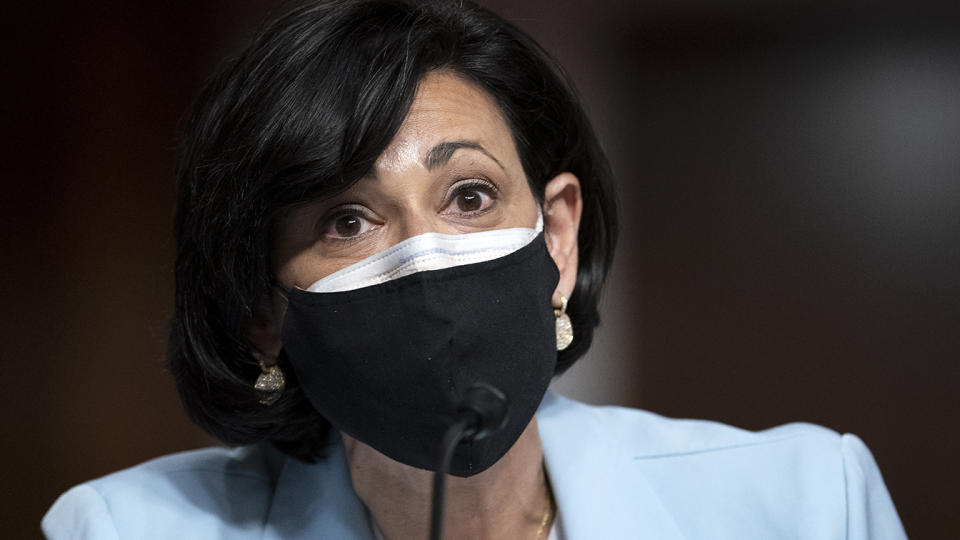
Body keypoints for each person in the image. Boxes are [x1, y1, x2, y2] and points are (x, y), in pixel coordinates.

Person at [43, 1, 907, 538]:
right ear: (264, 312)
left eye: (468, 197)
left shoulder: (803, 505)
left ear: (557, 240)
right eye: (348, 219)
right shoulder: (124, 530)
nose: (426, 251)